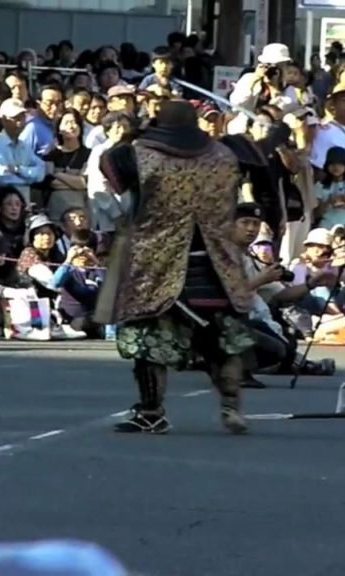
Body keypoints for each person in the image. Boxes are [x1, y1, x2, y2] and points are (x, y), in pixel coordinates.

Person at [98, 100, 258, 435]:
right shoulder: (225, 154)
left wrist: (137, 131)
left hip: (158, 263)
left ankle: (151, 411)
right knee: (223, 342)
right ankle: (231, 406)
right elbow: (258, 169)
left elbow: (108, 163)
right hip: (218, 266)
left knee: (147, 342)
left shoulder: (138, 154)